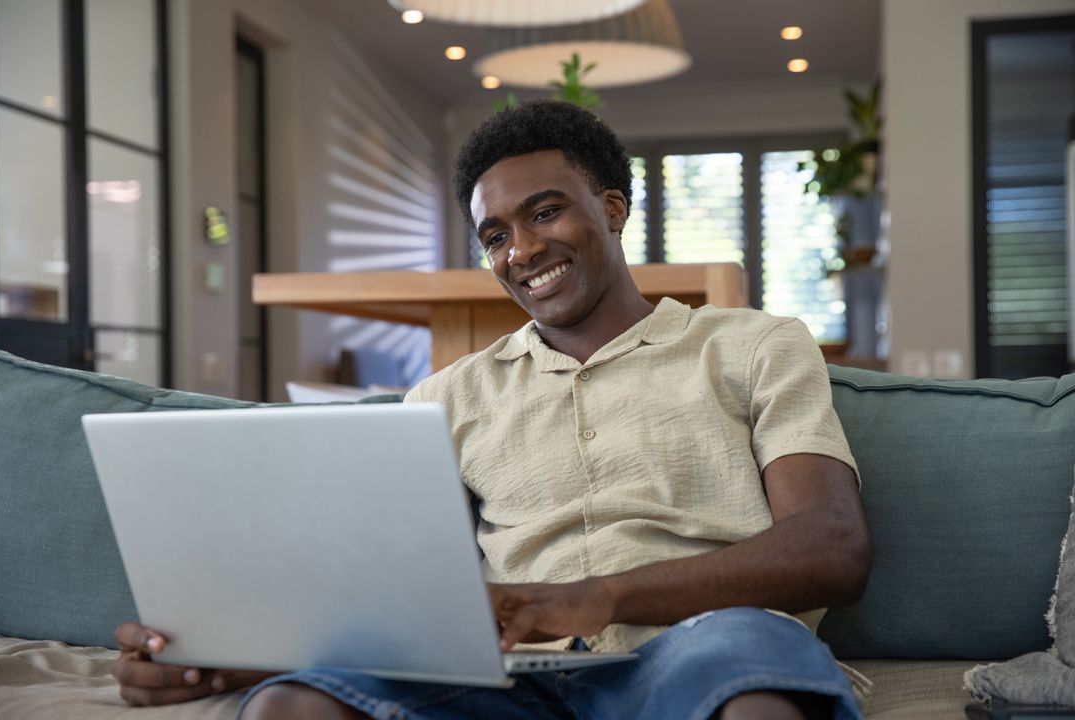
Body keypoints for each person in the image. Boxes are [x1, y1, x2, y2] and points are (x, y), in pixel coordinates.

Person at [113, 100, 872, 720]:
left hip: (704, 644)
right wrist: (214, 658)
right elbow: (387, 592)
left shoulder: (755, 344)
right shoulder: (447, 396)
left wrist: (595, 597)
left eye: (545, 214)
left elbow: (831, 547)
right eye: (496, 235)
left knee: (753, 696)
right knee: (291, 706)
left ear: (612, 209)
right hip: (506, 676)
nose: (522, 251)